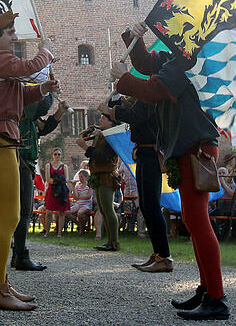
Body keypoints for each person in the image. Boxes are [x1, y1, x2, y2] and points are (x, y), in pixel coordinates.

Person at [113, 21, 229, 321]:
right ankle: (207, 289)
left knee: (198, 222)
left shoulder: (187, 60)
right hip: (186, 146)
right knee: (193, 220)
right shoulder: (176, 59)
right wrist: (134, 37)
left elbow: (154, 89)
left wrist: (122, 79)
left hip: (195, 147)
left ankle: (216, 297)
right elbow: (145, 64)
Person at [0, 11, 59, 311]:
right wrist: (46, 51)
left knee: (9, 218)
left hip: (1, 144)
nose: (14, 36)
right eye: (9, 32)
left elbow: (19, 96)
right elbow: (29, 68)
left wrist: (44, 89)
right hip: (1, 145)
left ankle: (1, 283)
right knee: (9, 219)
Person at [101, 95, 171, 271]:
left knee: (152, 206)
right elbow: (127, 108)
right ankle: (158, 254)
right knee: (146, 207)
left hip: (151, 153)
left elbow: (134, 115)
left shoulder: (149, 95)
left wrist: (110, 111)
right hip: (143, 153)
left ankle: (164, 256)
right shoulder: (142, 96)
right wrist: (116, 97)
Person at [12, 94, 65, 271]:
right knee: (23, 212)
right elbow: (43, 105)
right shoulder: (22, 105)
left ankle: (17, 254)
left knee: (21, 212)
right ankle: (20, 256)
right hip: (20, 164)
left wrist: (59, 112)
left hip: (23, 165)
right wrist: (47, 87)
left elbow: (42, 128)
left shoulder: (26, 113)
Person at [79, 113, 122, 252]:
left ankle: (114, 242)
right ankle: (110, 241)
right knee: (102, 209)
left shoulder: (111, 137)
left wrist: (86, 148)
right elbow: (85, 137)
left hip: (107, 176)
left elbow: (104, 156)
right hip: (98, 175)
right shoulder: (101, 135)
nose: (100, 120)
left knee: (108, 209)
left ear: (111, 123)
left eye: (104, 118)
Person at [42, 148, 69, 238]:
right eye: (55, 154)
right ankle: (47, 232)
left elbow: (66, 180)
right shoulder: (48, 165)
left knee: (61, 212)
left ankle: (59, 233)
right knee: (48, 212)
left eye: (59, 154)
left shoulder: (64, 166)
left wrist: (56, 180)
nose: (57, 156)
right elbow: (48, 179)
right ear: (52, 155)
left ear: (61, 155)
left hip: (62, 191)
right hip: (52, 190)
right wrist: (59, 180)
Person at [67, 170, 93, 234]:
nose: (80, 178)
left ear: (86, 177)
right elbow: (75, 197)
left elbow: (89, 196)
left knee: (80, 213)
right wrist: (73, 187)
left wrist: (79, 198)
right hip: (78, 204)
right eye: (79, 177)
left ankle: (81, 230)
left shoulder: (89, 185)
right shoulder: (78, 186)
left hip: (86, 205)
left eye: (82, 177)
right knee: (67, 212)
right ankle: (81, 226)